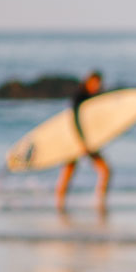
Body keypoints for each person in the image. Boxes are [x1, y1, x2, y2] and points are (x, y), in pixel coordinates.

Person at [55, 71, 111, 214]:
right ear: (88, 82)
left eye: (98, 84)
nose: (96, 86)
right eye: (94, 83)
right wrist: (81, 143)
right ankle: (59, 203)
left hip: (89, 141)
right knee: (68, 172)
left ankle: (100, 201)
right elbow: (73, 121)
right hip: (74, 140)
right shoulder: (79, 97)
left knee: (105, 171)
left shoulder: (96, 97)